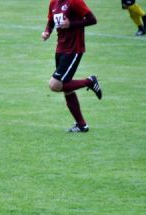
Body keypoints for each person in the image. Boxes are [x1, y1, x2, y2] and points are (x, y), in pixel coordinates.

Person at [42, 0, 103, 133]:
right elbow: (51, 21)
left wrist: (71, 24)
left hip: (74, 49)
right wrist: (47, 32)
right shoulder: (53, 3)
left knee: (55, 85)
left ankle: (89, 81)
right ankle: (81, 125)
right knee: (67, 88)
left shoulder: (75, 1)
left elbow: (92, 20)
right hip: (60, 49)